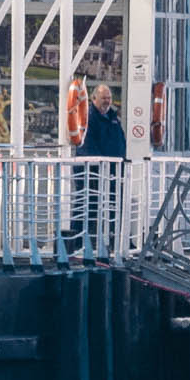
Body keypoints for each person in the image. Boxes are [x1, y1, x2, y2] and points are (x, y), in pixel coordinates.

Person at [70, 84, 128, 256]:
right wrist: (101, 165)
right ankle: (77, 243)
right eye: (104, 98)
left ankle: (119, 241)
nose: (107, 101)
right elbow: (86, 145)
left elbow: (120, 141)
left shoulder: (113, 118)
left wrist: (120, 163)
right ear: (94, 99)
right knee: (87, 206)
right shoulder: (88, 118)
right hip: (91, 172)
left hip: (113, 171)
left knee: (117, 205)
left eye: (109, 98)